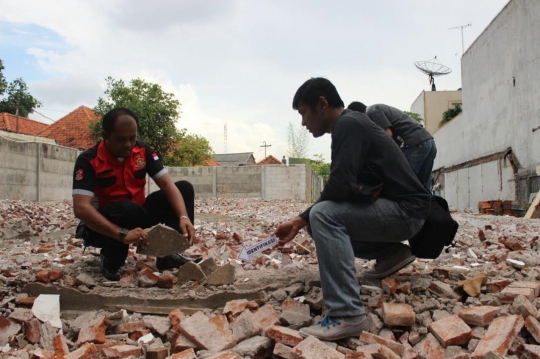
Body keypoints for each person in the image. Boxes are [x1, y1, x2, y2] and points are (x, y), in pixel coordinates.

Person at [274, 78, 430, 341]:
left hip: (406, 211)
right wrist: (303, 220)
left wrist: (299, 220)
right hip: (404, 211)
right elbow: (344, 186)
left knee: (322, 215)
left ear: (322, 104)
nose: (303, 123)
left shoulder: (349, 124)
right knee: (317, 219)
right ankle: (392, 254)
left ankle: (346, 313)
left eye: (304, 113)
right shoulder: (350, 125)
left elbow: (340, 184)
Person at [72, 108, 198, 281]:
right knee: (126, 208)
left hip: (136, 215)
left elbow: (167, 184)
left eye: (132, 138)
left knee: (184, 188)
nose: (128, 145)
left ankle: (168, 255)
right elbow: (81, 208)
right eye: (121, 140)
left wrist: (183, 217)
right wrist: (122, 234)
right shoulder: (88, 160)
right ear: (105, 135)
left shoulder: (142, 151)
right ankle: (111, 258)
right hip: (103, 227)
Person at [347, 101, 437, 191]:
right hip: (429, 142)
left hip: (415, 144)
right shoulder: (377, 109)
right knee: (423, 187)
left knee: (404, 183)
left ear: (358, 114)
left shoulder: (372, 111)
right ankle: (428, 204)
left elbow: (388, 136)